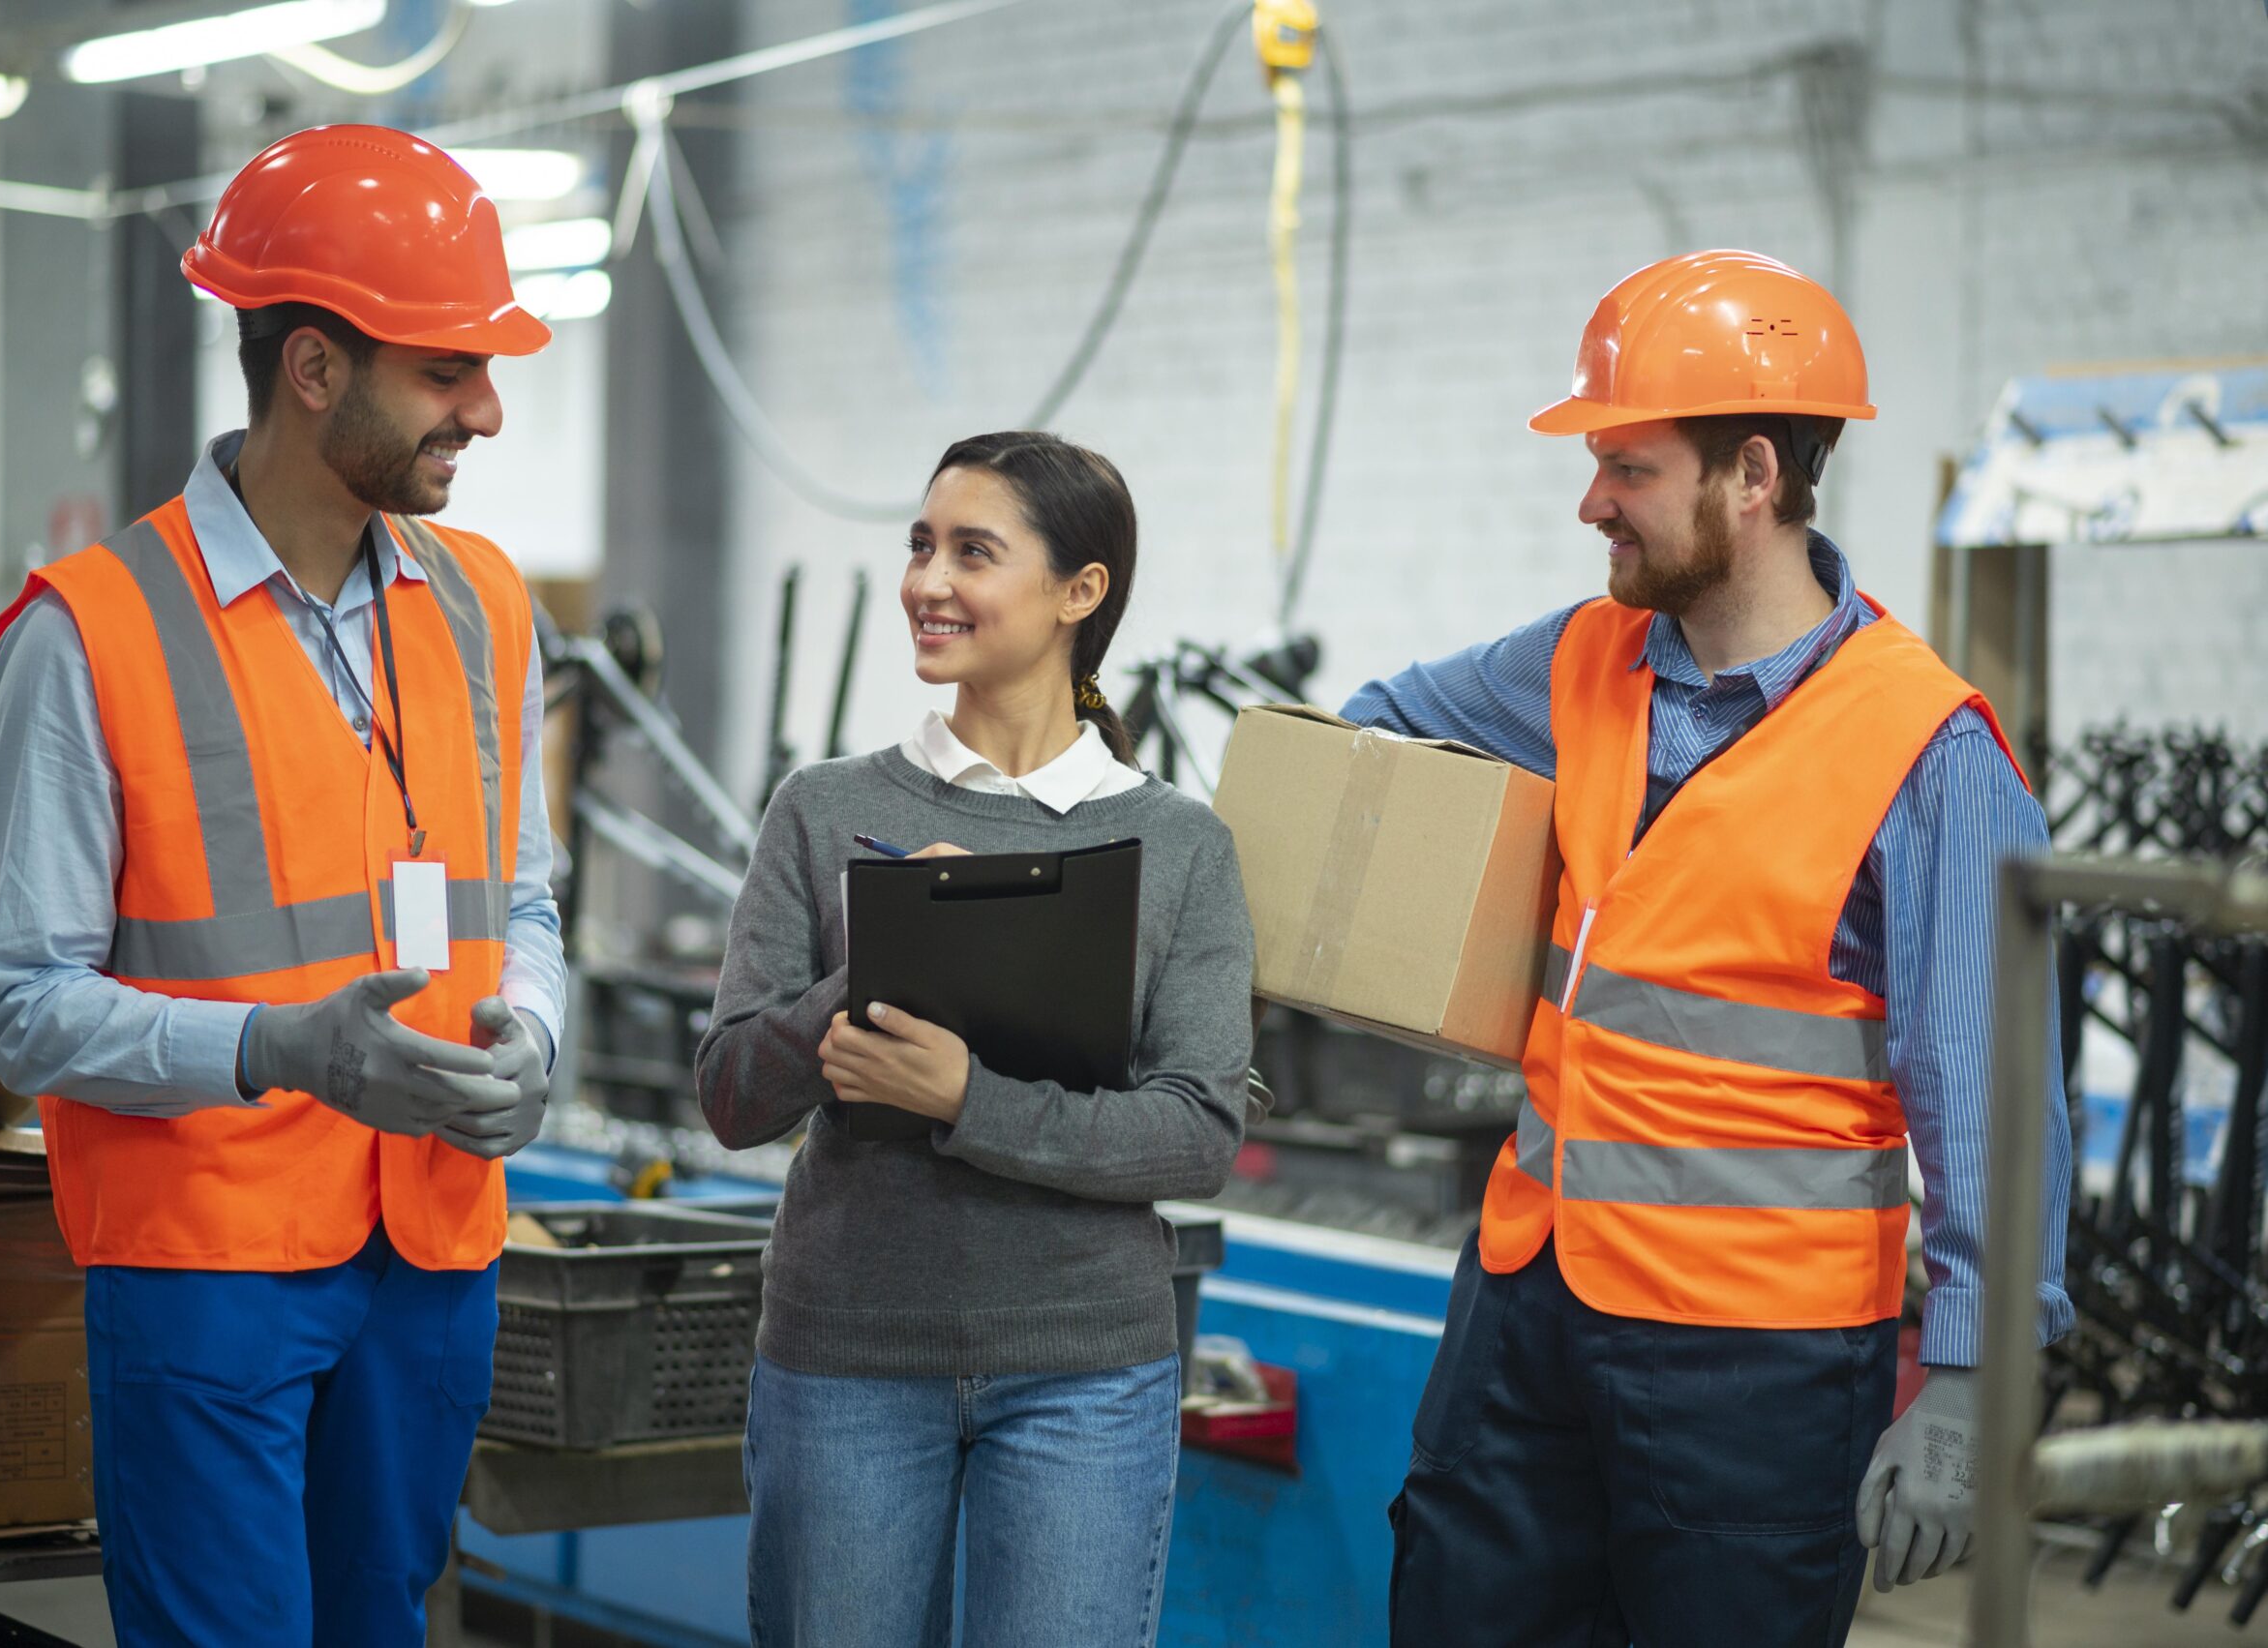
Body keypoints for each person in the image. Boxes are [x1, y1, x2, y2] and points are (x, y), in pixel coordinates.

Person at [1368, 251, 2075, 1646]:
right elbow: (1371, 738)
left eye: (1625, 464)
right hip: (1530, 1296)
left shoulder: (1930, 753)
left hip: (1759, 1358)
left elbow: (1994, 1097)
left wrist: (1977, 1382)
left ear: (1753, 474)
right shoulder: (1578, 659)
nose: (1591, 501)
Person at [0, 125, 563, 1647]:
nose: (487, 409)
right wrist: (272, 1048)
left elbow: (527, 903)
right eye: (446, 369)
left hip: (430, 1251)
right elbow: (22, 1009)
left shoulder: (484, 603)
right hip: (207, 1262)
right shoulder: (90, 632)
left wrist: (537, 1044)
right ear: (313, 368)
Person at [695, 431, 1255, 1646]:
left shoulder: (1179, 846)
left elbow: (1197, 1129)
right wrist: (878, 967)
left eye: (971, 552)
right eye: (919, 545)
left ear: (1078, 592)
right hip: (844, 1356)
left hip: (1085, 1372)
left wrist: (968, 1097)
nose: (927, 582)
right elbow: (733, 1092)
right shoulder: (825, 809)